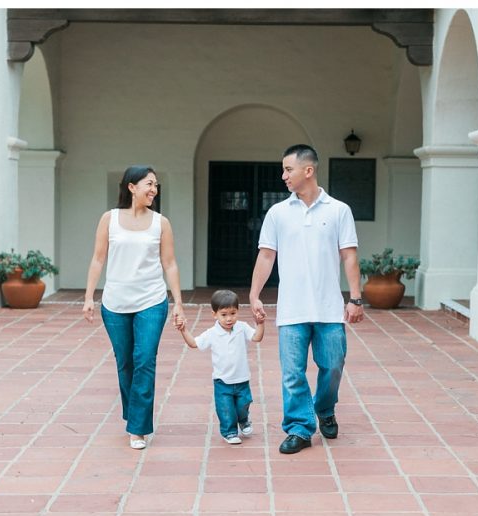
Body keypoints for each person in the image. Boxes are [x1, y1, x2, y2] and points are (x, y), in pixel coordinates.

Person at [249, 144, 365, 454]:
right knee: (292, 374)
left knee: (333, 366)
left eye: (288, 169)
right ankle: (300, 428)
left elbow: (349, 256)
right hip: (291, 310)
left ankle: (324, 408)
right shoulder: (278, 213)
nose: (283, 175)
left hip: (328, 309)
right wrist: (254, 293)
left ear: (308, 170)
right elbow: (266, 255)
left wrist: (355, 298)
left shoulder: (339, 210)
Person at [82, 165, 185, 450]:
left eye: (156, 185)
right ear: (131, 187)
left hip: (152, 300)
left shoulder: (160, 223)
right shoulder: (109, 219)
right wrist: (89, 296)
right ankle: (134, 413)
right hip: (115, 303)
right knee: (125, 361)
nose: (154, 189)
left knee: (144, 359)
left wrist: (178, 302)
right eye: (149, 184)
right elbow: (97, 259)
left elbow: (170, 263)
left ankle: (138, 427)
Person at [178, 289, 264, 444]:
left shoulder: (242, 327)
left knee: (243, 405)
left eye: (233, 313)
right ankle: (229, 432)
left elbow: (257, 337)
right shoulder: (212, 333)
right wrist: (184, 330)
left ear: (238, 311)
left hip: (242, 379)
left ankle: (243, 420)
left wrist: (260, 324)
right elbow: (194, 343)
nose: (229, 318)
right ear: (214, 314)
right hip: (222, 381)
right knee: (226, 410)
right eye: (224, 314)